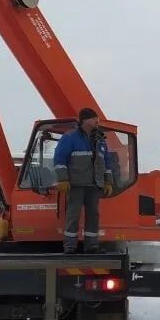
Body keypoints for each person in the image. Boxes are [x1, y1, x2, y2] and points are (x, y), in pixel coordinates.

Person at [53, 107, 113, 254]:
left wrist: (108, 181)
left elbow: (107, 163)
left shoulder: (100, 140)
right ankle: (70, 246)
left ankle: (92, 246)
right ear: (84, 120)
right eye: (94, 118)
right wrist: (63, 179)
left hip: (95, 184)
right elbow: (60, 159)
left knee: (93, 215)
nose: (97, 121)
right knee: (73, 215)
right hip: (77, 184)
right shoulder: (70, 137)